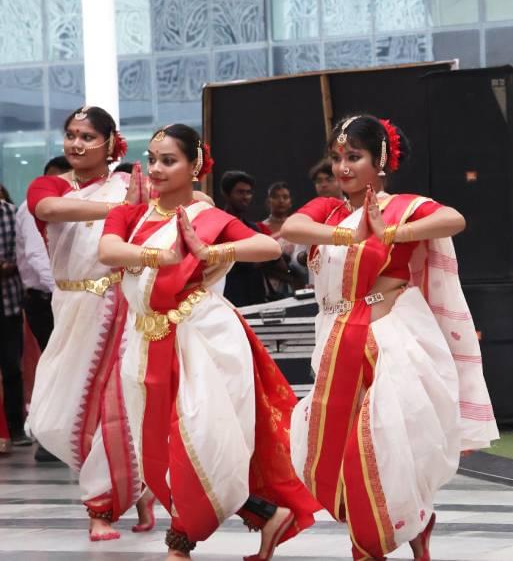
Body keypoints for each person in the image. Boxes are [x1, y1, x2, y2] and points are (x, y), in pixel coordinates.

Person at [281, 114, 498, 561]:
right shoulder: (329, 210)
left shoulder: (403, 205)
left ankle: (378, 539)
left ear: (380, 161)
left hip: (392, 337)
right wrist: (350, 232)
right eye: (337, 157)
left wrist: (393, 232)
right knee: (342, 446)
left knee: (382, 441)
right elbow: (291, 230)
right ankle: (408, 524)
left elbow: (453, 219)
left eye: (354, 157)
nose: (342, 168)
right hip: (336, 339)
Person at [98, 124, 318, 561]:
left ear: (194, 166)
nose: (157, 168)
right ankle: (265, 514)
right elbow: (107, 251)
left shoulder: (212, 220)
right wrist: (161, 257)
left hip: (203, 339)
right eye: (153, 158)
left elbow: (265, 248)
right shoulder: (130, 214)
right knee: (159, 446)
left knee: (199, 437)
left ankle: (180, 543)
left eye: (169, 160)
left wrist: (211, 251)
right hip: (145, 343)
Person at [23, 107, 153, 539]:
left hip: (119, 303)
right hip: (71, 307)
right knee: (53, 415)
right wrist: (125, 208)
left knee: (113, 405)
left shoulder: (131, 182)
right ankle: (137, 487)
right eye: (71, 135)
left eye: (87, 137)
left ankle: (101, 506)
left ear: (110, 143)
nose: (76, 144)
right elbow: (48, 209)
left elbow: (186, 206)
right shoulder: (52, 184)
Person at [16, 156, 70, 462]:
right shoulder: (31, 209)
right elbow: (39, 258)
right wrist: (64, 294)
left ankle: (63, 437)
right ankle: (47, 439)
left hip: (62, 297)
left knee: (68, 368)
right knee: (55, 368)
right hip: (45, 299)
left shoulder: (69, 209)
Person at [219, 170, 269, 306]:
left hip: (255, 303)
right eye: (240, 192)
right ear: (226, 194)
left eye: (248, 192)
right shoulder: (217, 225)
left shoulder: (253, 228)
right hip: (227, 302)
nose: (246, 196)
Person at [0, 190, 24, 450]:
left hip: (8, 304)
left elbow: (22, 255)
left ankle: (15, 429)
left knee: (11, 368)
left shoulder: (11, 213)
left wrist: (6, 268)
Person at [259, 182, 302, 298]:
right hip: (267, 285)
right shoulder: (259, 228)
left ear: (290, 202)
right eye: (276, 197)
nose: (281, 201)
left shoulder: (299, 226)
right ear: (268, 201)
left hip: (297, 284)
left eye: (285, 197)